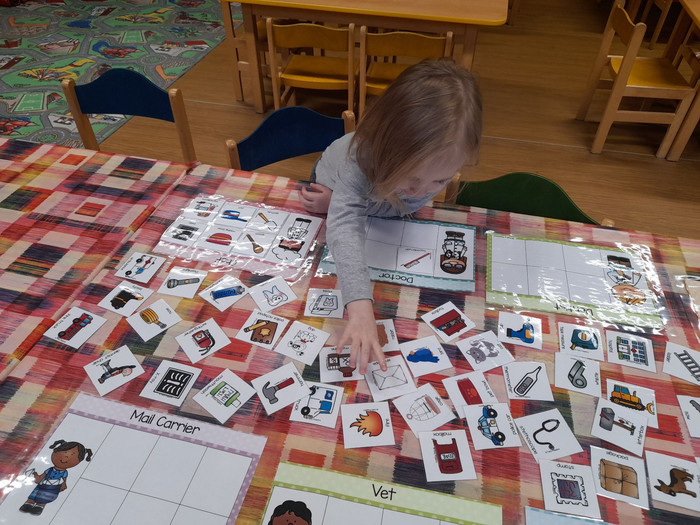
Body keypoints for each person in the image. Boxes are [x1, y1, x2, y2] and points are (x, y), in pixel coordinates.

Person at [299, 58, 482, 374]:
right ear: (386, 145)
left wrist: (377, 202)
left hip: (375, 205)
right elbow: (345, 224)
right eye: (412, 176)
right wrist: (359, 307)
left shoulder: (427, 169)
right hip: (330, 181)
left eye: (439, 181)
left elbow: (397, 204)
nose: (420, 190)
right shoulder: (361, 157)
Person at [19, 439, 93, 516]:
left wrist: (63, 485)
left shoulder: (64, 473)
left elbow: (64, 481)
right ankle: (29, 503)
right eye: (64, 453)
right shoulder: (50, 469)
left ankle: (39, 506)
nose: (65, 458)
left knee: (45, 498)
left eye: (72, 456)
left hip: (53, 488)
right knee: (34, 495)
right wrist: (37, 476)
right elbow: (42, 476)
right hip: (42, 485)